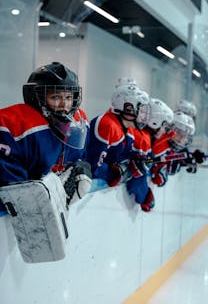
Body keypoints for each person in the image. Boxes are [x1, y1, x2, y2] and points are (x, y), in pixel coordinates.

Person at [0, 62, 92, 216]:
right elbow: (13, 190)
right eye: (55, 97)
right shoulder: (14, 124)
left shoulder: (78, 123)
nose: (64, 104)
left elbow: (80, 160)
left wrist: (82, 169)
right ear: (36, 97)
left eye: (69, 97)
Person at [87, 77, 150, 187]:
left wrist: (135, 159)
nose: (144, 116)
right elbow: (93, 165)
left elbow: (120, 155)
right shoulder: (107, 125)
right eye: (141, 111)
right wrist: (113, 174)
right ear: (128, 108)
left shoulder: (129, 130)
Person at [126, 98, 174, 212]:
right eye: (164, 126)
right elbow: (137, 176)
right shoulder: (143, 138)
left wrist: (155, 162)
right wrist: (146, 197)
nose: (164, 131)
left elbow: (145, 162)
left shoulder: (143, 135)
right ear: (155, 122)